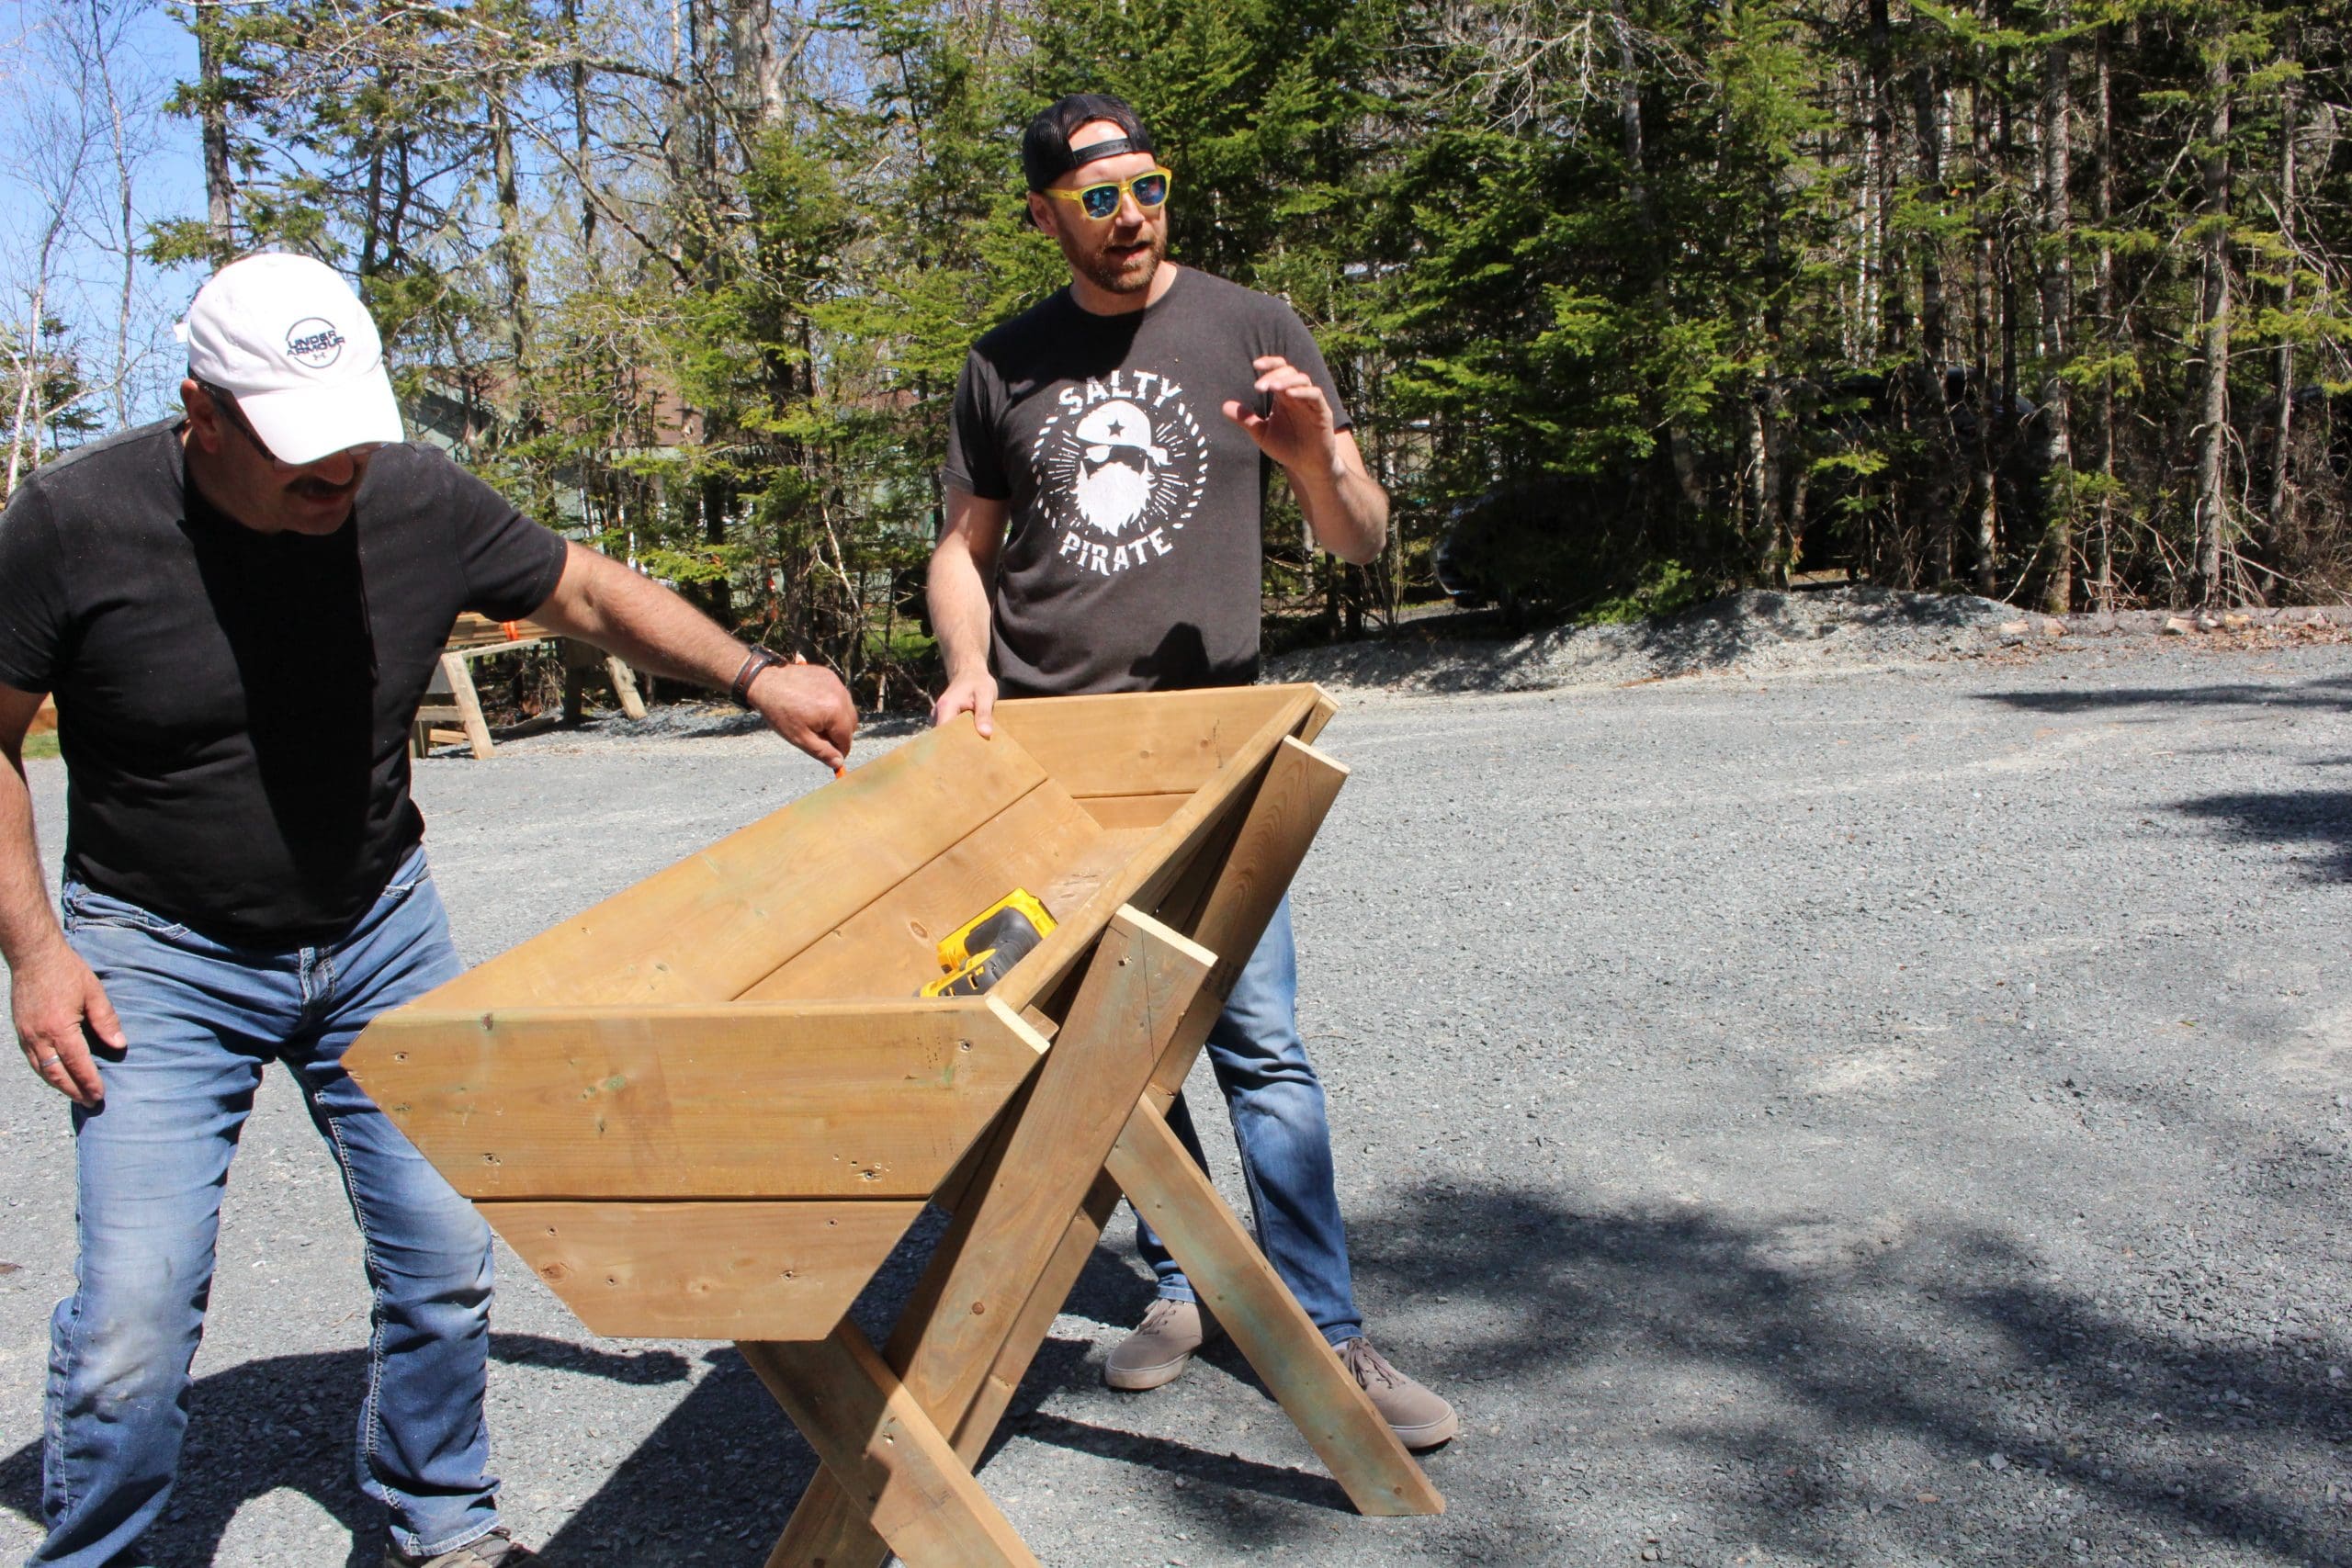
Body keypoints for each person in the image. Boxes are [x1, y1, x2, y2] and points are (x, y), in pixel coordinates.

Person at [0, 252, 858, 1568]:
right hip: (157, 958)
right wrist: (37, 955)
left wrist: (754, 676)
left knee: (446, 1257)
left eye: (351, 447)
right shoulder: (74, 523)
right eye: (300, 460)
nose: (337, 481)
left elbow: (577, 587)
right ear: (202, 413)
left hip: (377, 930)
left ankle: (440, 1523)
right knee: (134, 1317)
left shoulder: (406, 492)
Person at [928, 93, 1457, 1450]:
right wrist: (968, 667)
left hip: (1219, 757)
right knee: (1112, 1057)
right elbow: (962, 554)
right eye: (1095, 197)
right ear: (1044, 213)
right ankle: (1180, 1284)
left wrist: (1313, 457)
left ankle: (1330, 1333)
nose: (1130, 216)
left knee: (1261, 1046)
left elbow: (1361, 538)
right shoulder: (1005, 364)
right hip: (1052, 765)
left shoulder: (1256, 325)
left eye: (1146, 187)